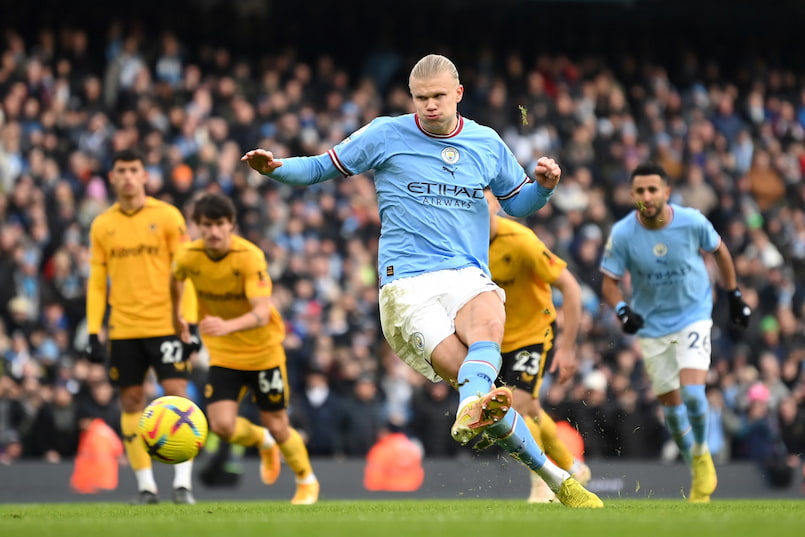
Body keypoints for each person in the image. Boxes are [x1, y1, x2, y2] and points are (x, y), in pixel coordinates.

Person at [242, 53, 602, 507]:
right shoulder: (385, 133)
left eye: (437, 97)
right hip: (407, 286)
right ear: (411, 98)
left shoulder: (486, 142)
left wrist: (545, 187)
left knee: (489, 338)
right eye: (420, 98)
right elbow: (320, 167)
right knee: (486, 395)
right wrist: (277, 169)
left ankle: (559, 484)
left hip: (468, 275)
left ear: (458, 94)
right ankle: (550, 472)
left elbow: (517, 204)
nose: (429, 106)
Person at [600, 161, 752, 503]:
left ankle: (702, 452)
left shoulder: (692, 221)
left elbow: (720, 253)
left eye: (653, 189)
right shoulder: (623, 234)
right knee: (671, 410)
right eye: (639, 191)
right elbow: (610, 283)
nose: (647, 196)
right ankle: (695, 463)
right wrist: (623, 311)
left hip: (693, 315)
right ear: (631, 195)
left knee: (695, 395)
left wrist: (734, 294)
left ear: (666, 192)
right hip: (652, 327)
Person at [170, 192, 319, 505]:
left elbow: (261, 313)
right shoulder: (187, 256)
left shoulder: (249, 257)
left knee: (279, 424)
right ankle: (262, 440)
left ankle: (306, 480)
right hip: (224, 355)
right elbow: (177, 280)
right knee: (221, 426)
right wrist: (180, 317)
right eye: (206, 225)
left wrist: (226, 325)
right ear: (197, 226)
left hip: (263, 353)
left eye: (219, 224)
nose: (213, 231)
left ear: (231, 225)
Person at [85, 148, 198, 505]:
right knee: (131, 400)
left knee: (177, 394)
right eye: (122, 170)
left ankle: (182, 484)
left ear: (145, 175)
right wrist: (93, 330)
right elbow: (96, 280)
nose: (129, 176)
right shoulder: (102, 224)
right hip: (123, 328)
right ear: (113, 178)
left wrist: (189, 323)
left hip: (165, 323)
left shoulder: (167, 216)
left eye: (135, 169)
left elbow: (186, 271)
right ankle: (146, 486)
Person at [485, 189, 592, 503]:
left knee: (516, 405)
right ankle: (572, 465)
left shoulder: (521, 241)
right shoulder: (462, 244)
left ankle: (543, 483)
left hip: (533, 333)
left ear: (494, 207)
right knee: (529, 408)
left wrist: (568, 347)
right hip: (492, 339)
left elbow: (571, 288)